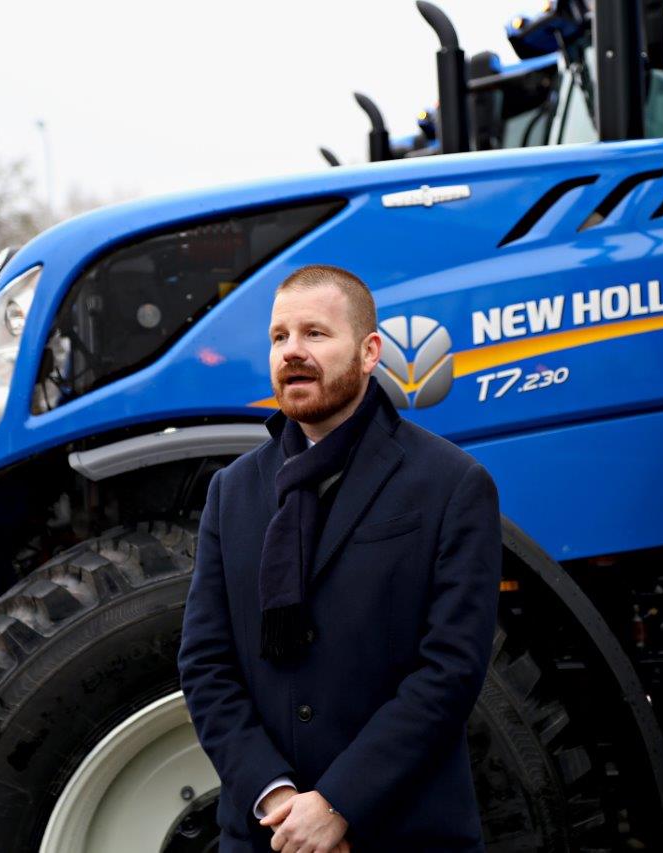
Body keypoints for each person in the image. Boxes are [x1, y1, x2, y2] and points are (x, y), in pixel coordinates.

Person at [177, 264, 501, 852]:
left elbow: (450, 671)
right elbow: (205, 663)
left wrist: (337, 804)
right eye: (279, 337)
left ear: (370, 351)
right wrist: (276, 798)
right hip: (267, 836)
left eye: (315, 334)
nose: (292, 352)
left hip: (402, 835)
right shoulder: (231, 492)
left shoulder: (451, 484)